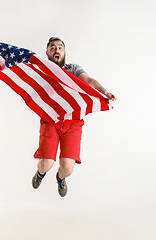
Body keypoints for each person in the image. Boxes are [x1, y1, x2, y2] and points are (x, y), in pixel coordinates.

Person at [31, 37, 116, 197]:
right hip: (51, 120)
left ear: (64, 51)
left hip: (73, 122)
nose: (56, 50)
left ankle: (60, 178)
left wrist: (104, 92)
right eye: (52, 48)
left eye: (60, 47)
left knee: (67, 168)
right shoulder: (43, 69)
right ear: (48, 53)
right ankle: (40, 173)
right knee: (46, 164)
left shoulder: (73, 69)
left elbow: (89, 80)